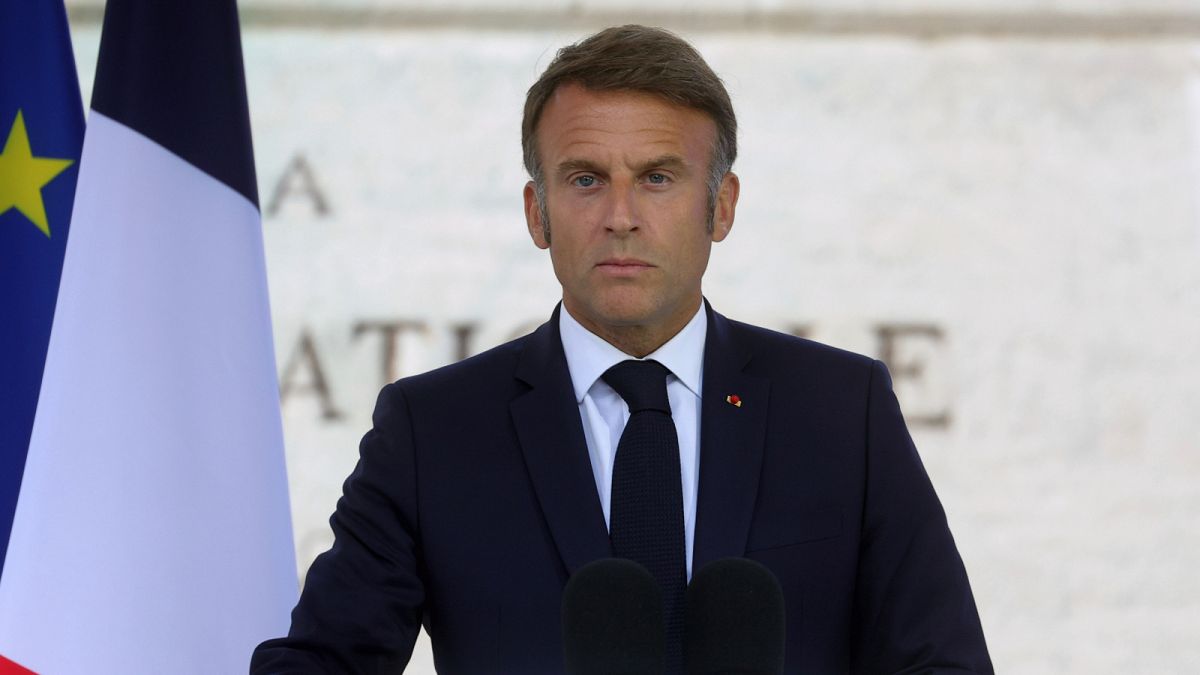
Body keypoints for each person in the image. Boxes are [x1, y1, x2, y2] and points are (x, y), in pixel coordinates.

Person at [252, 25, 993, 674]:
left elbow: (943, 661)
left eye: (658, 178)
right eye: (584, 179)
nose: (620, 217)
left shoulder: (841, 412)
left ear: (721, 206)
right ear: (537, 212)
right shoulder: (432, 429)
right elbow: (324, 659)